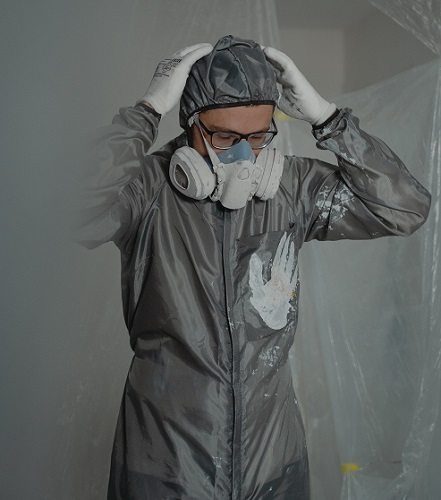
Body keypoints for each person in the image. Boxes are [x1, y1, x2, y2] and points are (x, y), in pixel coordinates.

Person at [78, 35, 431, 499]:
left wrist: (329, 120)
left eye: (259, 136)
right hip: (166, 471)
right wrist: (146, 111)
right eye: (224, 137)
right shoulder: (148, 191)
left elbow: (405, 207)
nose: (245, 156)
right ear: (190, 128)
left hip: (274, 468)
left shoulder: (292, 189)